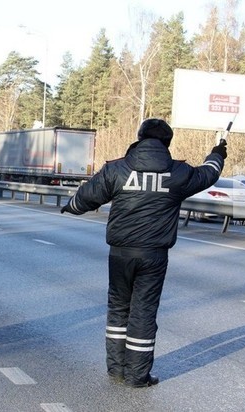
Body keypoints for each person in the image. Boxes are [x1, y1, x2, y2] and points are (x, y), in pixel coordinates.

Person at [61, 118, 227, 388]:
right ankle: (137, 376)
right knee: (144, 312)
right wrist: (217, 153)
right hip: (154, 256)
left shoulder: (117, 169)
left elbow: (86, 197)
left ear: (139, 138)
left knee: (118, 309)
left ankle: (116, 369)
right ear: (167, 143)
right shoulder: (178, 173)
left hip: (120, 254)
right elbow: (208, 173)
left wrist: (70, 206)